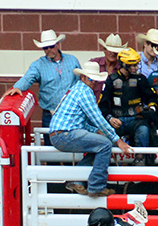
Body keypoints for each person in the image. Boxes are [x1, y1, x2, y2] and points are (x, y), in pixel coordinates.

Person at [48, 61, 133, 198]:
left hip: (61, 133)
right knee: (105, 144)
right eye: (91, 79)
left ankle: (77, 180)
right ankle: (96, 186)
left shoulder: (78, 89)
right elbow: (97, 118)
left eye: (96, 80)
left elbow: (80, 121)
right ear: (83, 78)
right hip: (65, 134)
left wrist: (96, 131)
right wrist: (117, 140)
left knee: (99, 145)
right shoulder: (85, 92)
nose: (93, 82)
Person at [9, 29, 79, 129]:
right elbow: (28, 78)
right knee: (49, 143)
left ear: (58, 44)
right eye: (45, 47)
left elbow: (80, 83)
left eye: (51, 46)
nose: (49, 49)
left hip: (73, 113)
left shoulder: (72, 60)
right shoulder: (38, 65)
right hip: (50, 113)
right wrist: (17, 87)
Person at [100, 48, 157, 156]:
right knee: (105, 135)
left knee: (143, 130)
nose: (136, 68)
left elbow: (151, 97)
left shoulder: (140, 79)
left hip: (136, 120)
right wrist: (110, 118)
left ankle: (141, 159)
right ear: (124, 65)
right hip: (117, 121)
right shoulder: (111, 80)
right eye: (133, 65)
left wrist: (151, 108)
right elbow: (103, 104)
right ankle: (110, 160)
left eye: (137, 65)